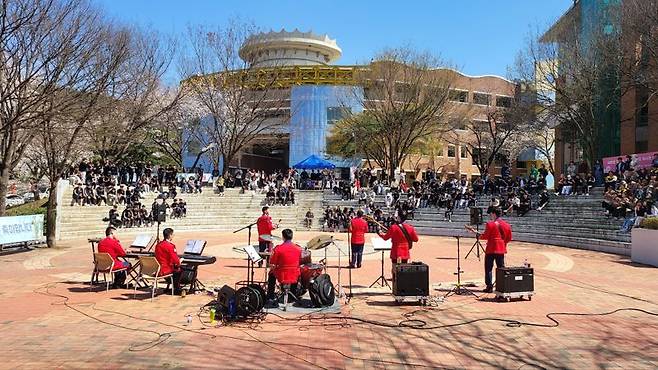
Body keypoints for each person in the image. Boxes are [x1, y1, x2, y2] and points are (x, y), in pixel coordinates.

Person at [465, 207, 512, 293]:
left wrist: (475, 232)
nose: (490, 215)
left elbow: (485, 236)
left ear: (494, 214)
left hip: (491, 248)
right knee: (501, 268)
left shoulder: (490, 224)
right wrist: (502, 243)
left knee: (488, 268)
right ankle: (502, 285)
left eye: (491, 214)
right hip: (501, 249)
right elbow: (509, 238)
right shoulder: (507, 225)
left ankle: (489, 286)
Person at [266, 229, 301, 307]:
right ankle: (292, 294)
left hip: (282, 275)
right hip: (294, 274)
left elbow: (272, 263)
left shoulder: (278, 249)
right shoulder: (298, 248)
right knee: (296, 271)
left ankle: (270, 296)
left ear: (283, 237)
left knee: (271, 273)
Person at [154, 228, 182, 295]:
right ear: (170, 235)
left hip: (158, 268)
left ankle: (172, 286)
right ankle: (176, 288)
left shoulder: (158, 245)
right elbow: (176, 261)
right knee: (179, 269)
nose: (173, 236)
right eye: (172, 234)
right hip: (166, 269)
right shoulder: (170, 246)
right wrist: (180, 261)